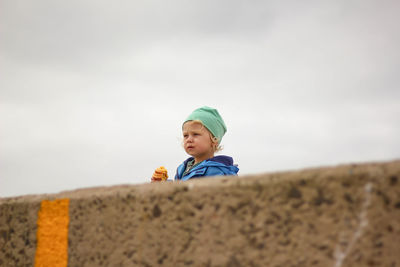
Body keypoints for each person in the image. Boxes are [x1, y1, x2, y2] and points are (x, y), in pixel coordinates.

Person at [174, 106, 239, 181]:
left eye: (195, 134)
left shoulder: (217, 172)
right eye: (185, 135)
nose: (189, 139)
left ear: (214, 139)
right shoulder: (182, 168)